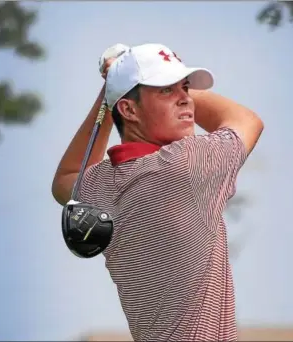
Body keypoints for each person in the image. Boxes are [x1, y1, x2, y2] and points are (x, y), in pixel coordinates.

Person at [52, 43, 264, 341]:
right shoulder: (187, 163)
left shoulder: (100, 185)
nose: (185, 100)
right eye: (166, 90)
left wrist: (111, 94)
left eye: (185, 88)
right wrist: (116, 88)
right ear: (129, 109)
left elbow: (66, 177)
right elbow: (246, 121)